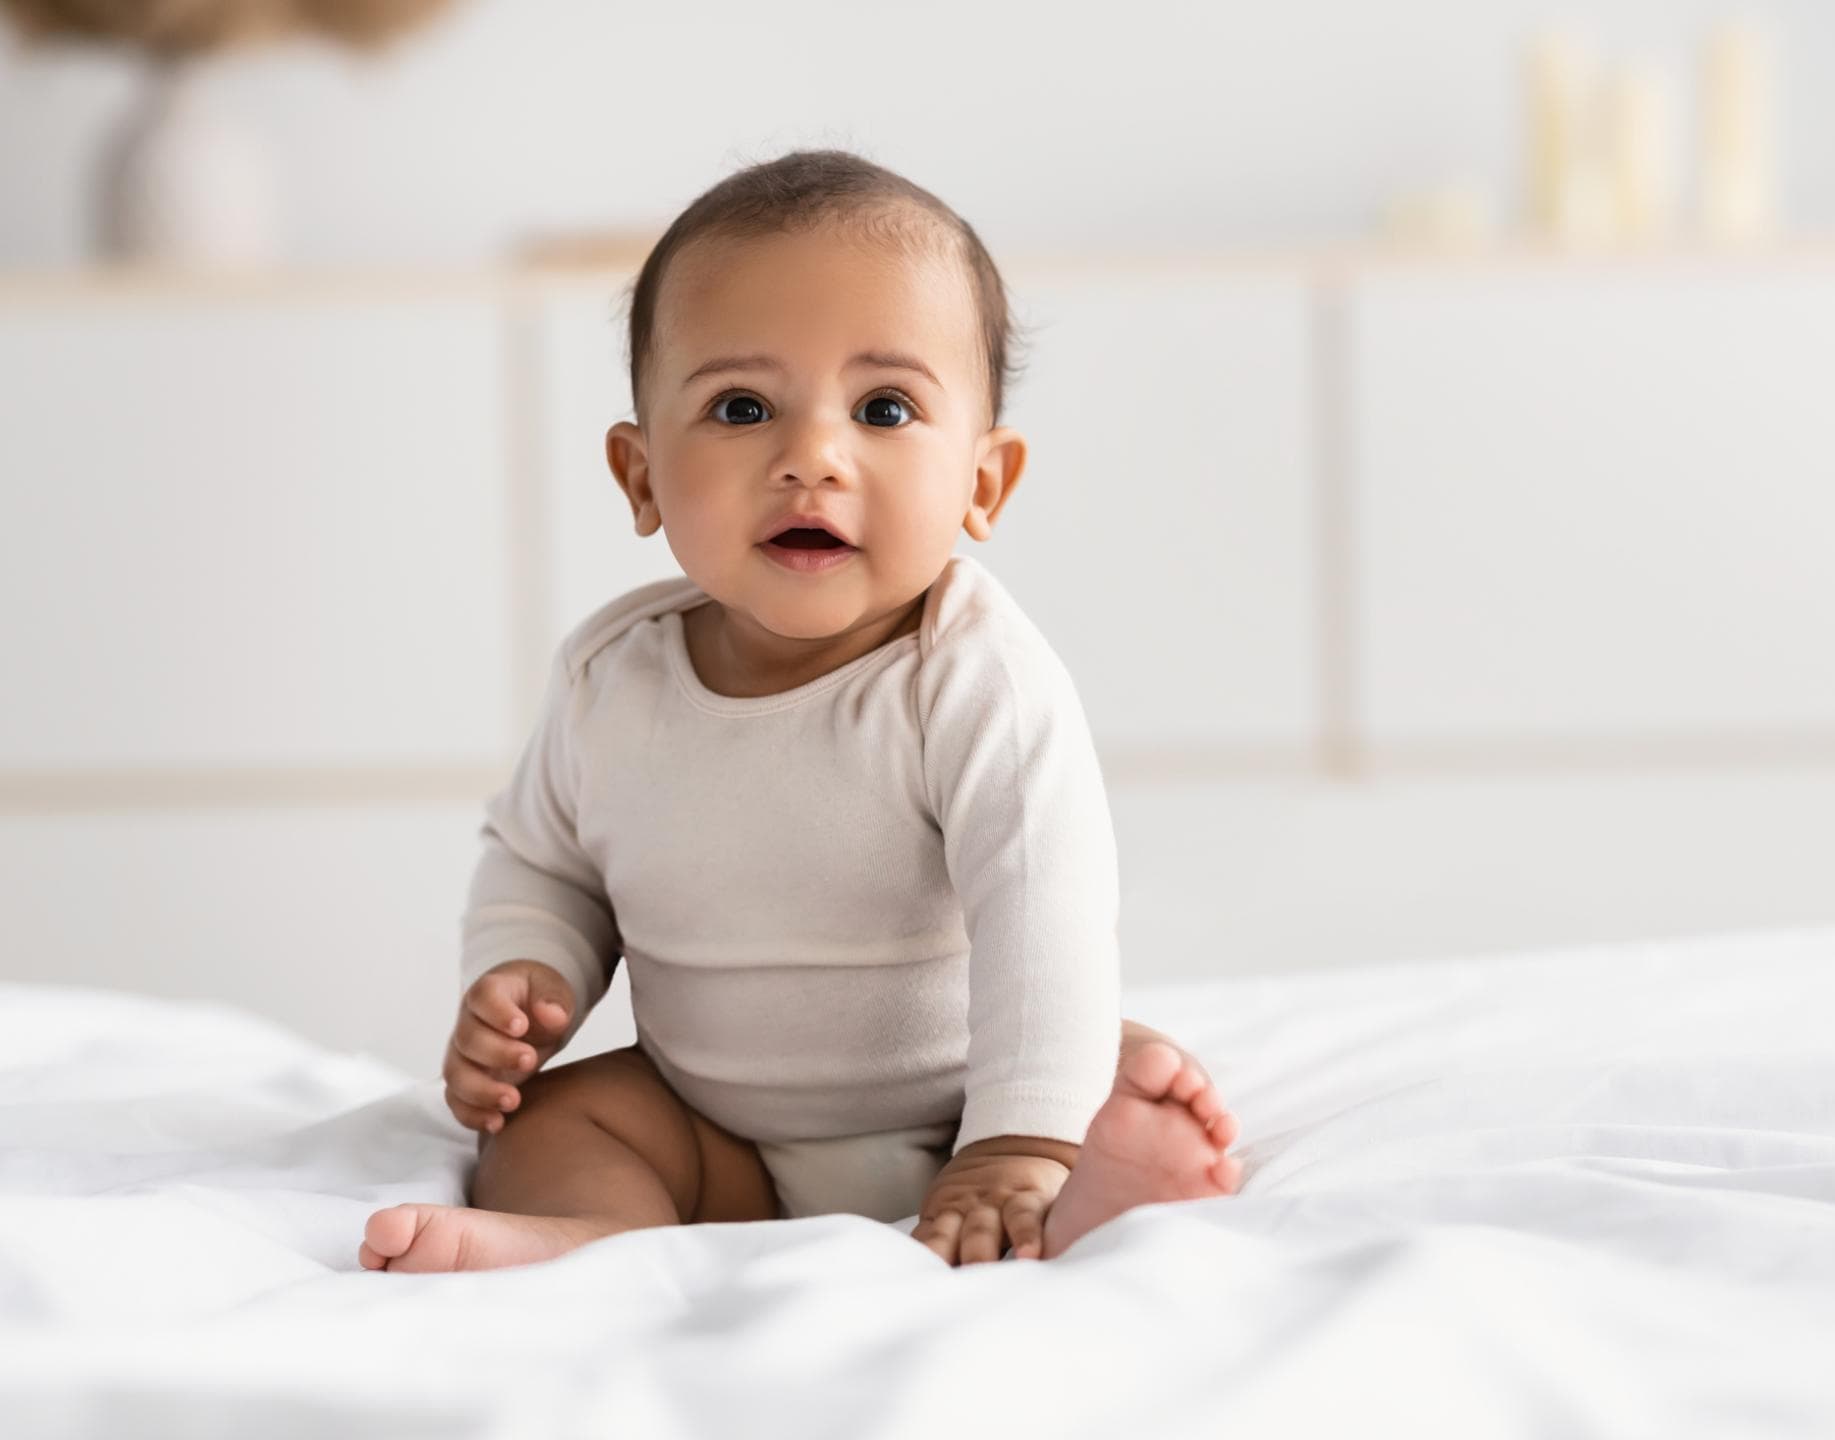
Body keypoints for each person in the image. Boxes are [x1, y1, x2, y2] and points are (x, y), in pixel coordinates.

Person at [360, 149, 1242, 1274]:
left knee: (1101, 1089)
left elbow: (1046, 921)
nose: (809, 457)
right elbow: (542, 860)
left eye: (883, 408)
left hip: (956, 1102)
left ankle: (1058, 1179)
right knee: (548, 1124)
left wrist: (1016, 1138)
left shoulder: (973, 680)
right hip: (718, 1130)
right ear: (640, 476)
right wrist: (529, 973)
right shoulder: (611, 680)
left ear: (984, 483)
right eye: (741, 407)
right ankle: (595, 1240)